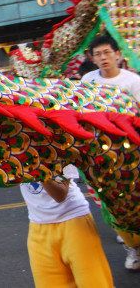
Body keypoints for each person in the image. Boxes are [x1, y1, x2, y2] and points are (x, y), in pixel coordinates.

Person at [82, 34, 140, 270]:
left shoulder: (132, 81)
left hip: (129, 151)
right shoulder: (88, 80)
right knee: (109, 200)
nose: (103, 58)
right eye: (98, 54)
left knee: (134, 198)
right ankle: (132, 247)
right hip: (101, 154)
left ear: (117, 54)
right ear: (93, 59)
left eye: (107, 52)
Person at [20, 165, 113, 287]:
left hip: (74, 223)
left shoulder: (62, 149)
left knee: (94, 283)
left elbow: (60, 195)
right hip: (38, 228)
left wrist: (35, 168)